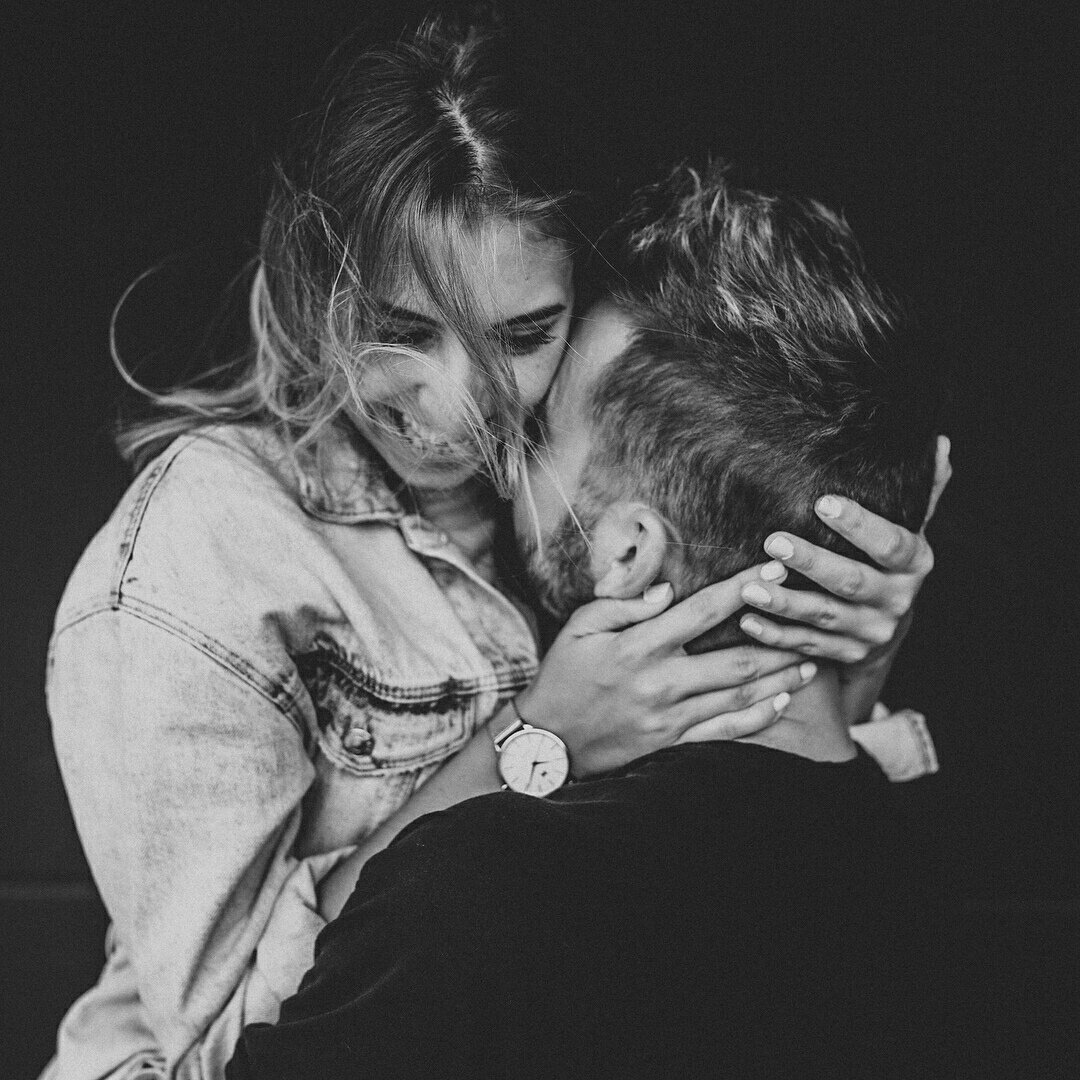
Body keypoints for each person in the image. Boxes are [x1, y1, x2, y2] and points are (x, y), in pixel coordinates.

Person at [43, 19, 941, 1080]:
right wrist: (537, 740)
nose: (462, 408)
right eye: (402, 331)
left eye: (520, 336)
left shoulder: (583, 470)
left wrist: (826, 633)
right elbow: (225, 1054)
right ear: (310, 286)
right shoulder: (191, 563)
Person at [225, 162, 947, 1079]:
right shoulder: (908, 864)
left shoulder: (474, 893)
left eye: (540, 437)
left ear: (630, 551)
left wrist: (528, 741)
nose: (495, 459)